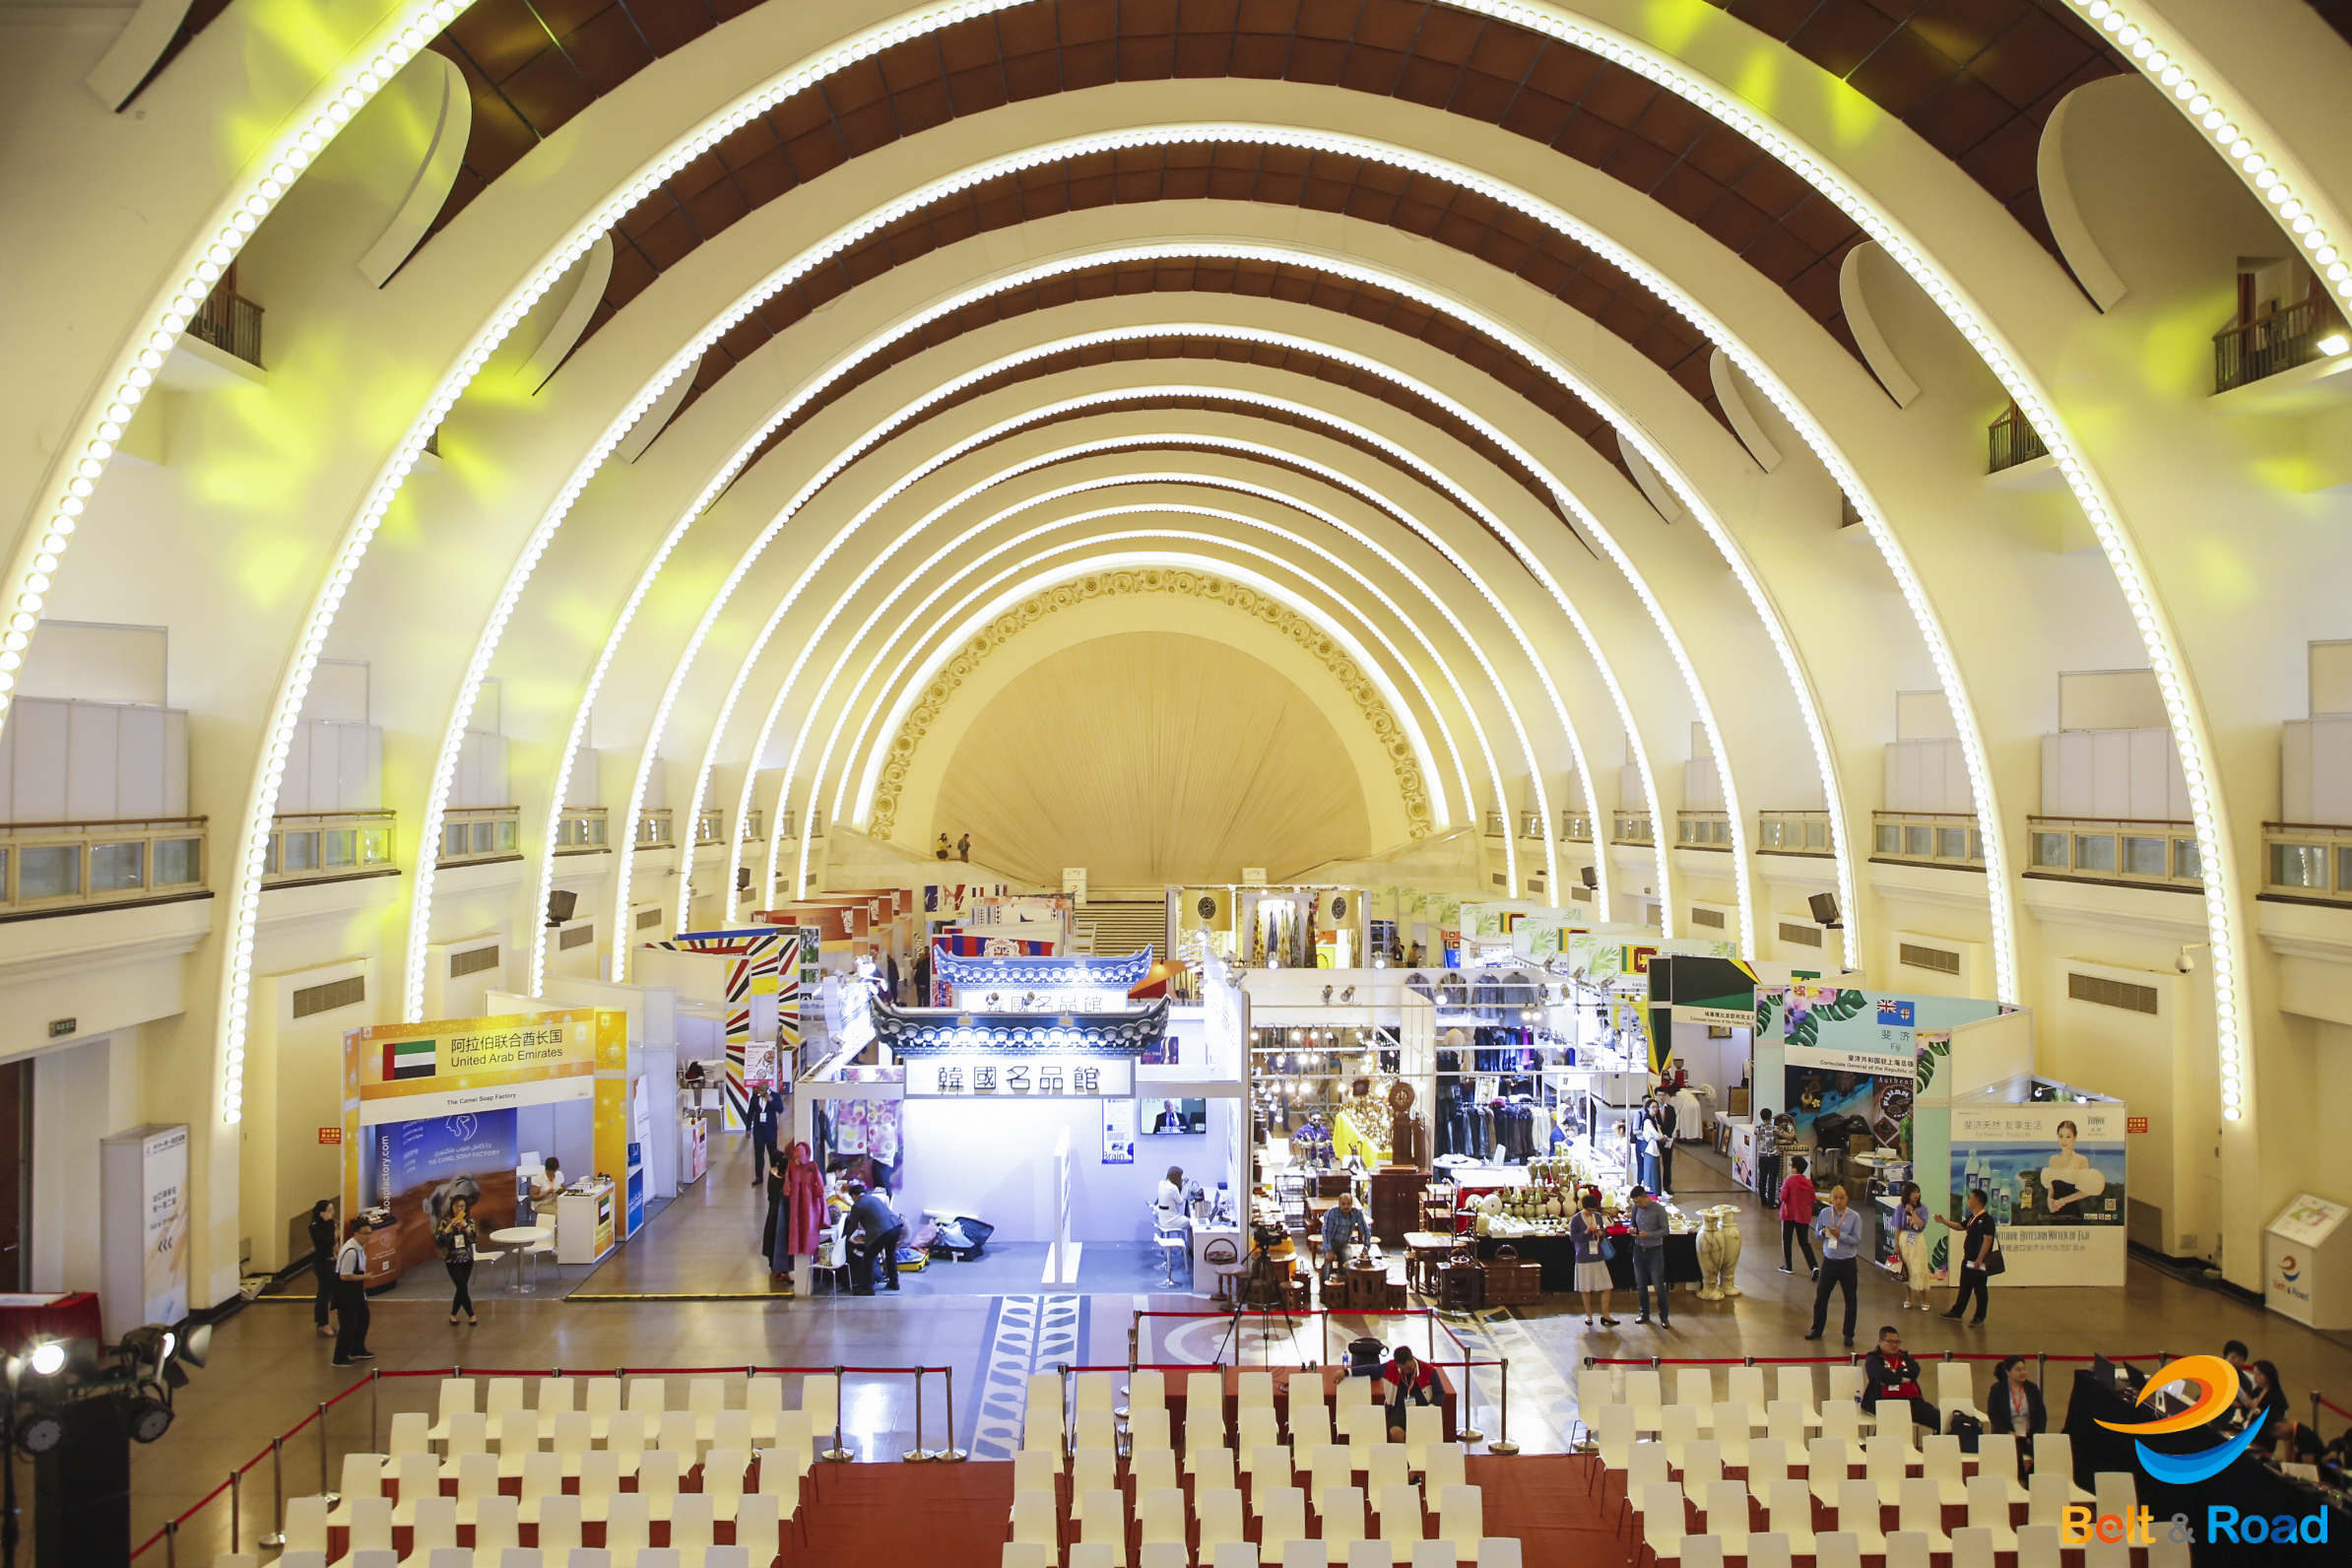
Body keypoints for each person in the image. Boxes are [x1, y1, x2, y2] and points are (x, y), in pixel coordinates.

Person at [1804, 1184, 1862, 1345]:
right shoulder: (1824, 1213)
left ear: (1847, 1199)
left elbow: (1856, 1240)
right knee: (1821, 1297)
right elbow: (1817, 1234)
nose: (1838, 1201)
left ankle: (1848, 1334)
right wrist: (1823, 1233)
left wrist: (1840, 1235)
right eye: (1835, 1198)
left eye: (1842, 1198)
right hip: (1829, 1261)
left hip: (1847, 1263)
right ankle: (1817, 1329)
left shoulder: (1854, 1217)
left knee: (1850, 1300)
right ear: (1830, 1199)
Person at [1861, 1325, 1940, 1434]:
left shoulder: (1904, 1356)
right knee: (1889, 1429)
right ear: (1880, 1342)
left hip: (1912, 1402)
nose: (1894, 1345)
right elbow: (1882, 1375)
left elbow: (1915, 1371)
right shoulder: (1873, 1358)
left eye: (1897, 1342)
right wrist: (1904, 1379)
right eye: (1890, 1342)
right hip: (1885, 1403)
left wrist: (1895, 1372)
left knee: (1942, 1421)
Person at [1936, 1188, 1996, 1326]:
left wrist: (1980, 1258)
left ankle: (1980, 1316)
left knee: (1980, 1289)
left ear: (1977, 1201)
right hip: (1968, 1259)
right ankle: (1957, 1312)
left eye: (1970, 1198)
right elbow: (1960, 1226)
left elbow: (1988, 1240)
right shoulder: (1972, 1217)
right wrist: (1944, 1221)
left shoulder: (1986, 1219)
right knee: (1965, 1286)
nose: (1967, 1200)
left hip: (1978, 1261)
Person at [841, 1181, 905, 1295]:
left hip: (883, 1231)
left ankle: (868, 1288)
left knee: (868, 1256)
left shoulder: (857, 1205)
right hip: (896, 1226)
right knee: (890, 1254)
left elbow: (853, 1226)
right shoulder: (874, 1199)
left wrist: (844, 1238)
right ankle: (894, 1282)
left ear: (854, 1196)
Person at [330, 1213, 377, 1367]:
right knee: (348, 1326)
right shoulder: (351, 1251)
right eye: (365, 1234)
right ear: (356, 1233)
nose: (368, 1237)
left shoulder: (359, 1247)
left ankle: (357, 1349)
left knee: (363, 1319)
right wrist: (365, 1277)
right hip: (347, 1294)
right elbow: (344, 1275)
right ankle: (340, 1357)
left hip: (356, 1292)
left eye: (370, 1233)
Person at [1569, 1190, 1619, 1329]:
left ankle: (1605, 1314)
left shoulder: (1598, 1216)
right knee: (1585, 1288)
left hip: (1598, 1255)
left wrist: (1600, 1233)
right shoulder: (1576, 1219)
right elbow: (1573, 1237)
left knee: (1607, 1286)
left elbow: (1604, 1233)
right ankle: (1589, 1315)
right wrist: (1585, 1232)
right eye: (1589, 1210)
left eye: (1594, 1210)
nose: (1591, 1213)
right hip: (1583, 1256)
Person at [1991, 1354, 2046, 1478]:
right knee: (2015, 1452)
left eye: (2024, 1369)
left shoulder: (2032, 1389)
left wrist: (2036, 1434)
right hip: (2008, 1434)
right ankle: (2021, 1480)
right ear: (2008, 1372)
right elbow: (1994, 1414)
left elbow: (2041, 1415)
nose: (2023, 1373)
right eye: (2018, 1370)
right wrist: (2008, 1432)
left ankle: (2028, 1479)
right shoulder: (1997, 1389)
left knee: (2045, 1455)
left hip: (2028, 1435)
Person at [1628, 1184, 1670, 1328]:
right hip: (1639, 1250)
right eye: (1635, 1202)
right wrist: (1632, 1229)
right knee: (1640, 1285)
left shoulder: (1659, 1210)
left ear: (1646, 1197)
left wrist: (1649, 1235)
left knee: (1658, 1285)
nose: (1637, 1205)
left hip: (1655, 1252)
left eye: (1639, 1202)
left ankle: (1664, 1316)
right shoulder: (1635, 1208)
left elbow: (1665, 1230)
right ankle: (1644, 1313)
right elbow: (1632, 1223)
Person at [1379, 1344, 1440, 1442]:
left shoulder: (1429, 1370)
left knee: (1419, 1434)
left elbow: (1440, 1393)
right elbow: (1371, 1369)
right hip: (1401, 1409)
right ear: (1397, 1365)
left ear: (1412, 1359)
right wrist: (1351, 1372)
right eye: (1403, 1369)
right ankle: (1402, 1451)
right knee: (1395, 1432)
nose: (1407, 1371)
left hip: (1423, 1409)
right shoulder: (1391, 1367)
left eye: (1408, 1367)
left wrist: (1431, 1407)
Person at [438, 1194, 480, 1326]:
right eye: (456, 1206)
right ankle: (471, 1314)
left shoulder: (470, 1222)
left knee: (461, 1288)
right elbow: (440, 1241)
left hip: (467, 1259)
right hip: (452, 1260)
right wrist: (450, 1226)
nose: (459, 1209)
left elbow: (473, 1239)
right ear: (452, 1207)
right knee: (461, 1286)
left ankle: (453, 1315)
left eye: (462, 1206)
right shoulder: (445, 1222)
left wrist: (466, 1227)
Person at [1894, 1182, 1935, 1312]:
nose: (1916, 1195)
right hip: (1904, 1239)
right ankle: (1908, 1298)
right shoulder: (1900, 1208)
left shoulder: (1923, 1208)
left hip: (1917, 1240)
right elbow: (1897, 1227)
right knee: (1906, 1268)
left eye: (1917, 1192)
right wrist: (1896, 1245)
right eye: (1913, 1192)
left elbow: (1921, 1225)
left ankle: (1924, 1300)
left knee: (1919, 1268)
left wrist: (1912, 1212)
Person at [1778, 1154, 1818, 1277]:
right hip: (1803, 1216)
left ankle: (1788, 1266)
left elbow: (1783, 1197)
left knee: (1787, 1241)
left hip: (1789, 1214)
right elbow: (1813, 1198)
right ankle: (1814, 1266)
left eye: (1791, 1165)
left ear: (1795, 1169)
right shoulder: (1808, 1182)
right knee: (1804, 1242)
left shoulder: (1789, 1181)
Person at [1321, 1189, 1372, 1283]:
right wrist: (1329, 1250)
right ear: (1339, 1204)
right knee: (1328, 1261)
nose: (1346, 1206)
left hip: (1345, 1243)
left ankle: (1343, 1284)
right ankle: (1325, 1287)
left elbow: (1365, 1230)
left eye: (1348, 1204)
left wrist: (1366, 1246)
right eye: (1343, 1204)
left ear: (1351, 1204)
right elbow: (1326, 1233)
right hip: (1331, 1242)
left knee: (1348, 1261)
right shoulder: (1332, 1213)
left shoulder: (1356, 1213)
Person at [308, 1198, 339, 1339]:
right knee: (324, 1294)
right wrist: (334, 1232)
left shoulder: (330, 1224)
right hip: (322, 1263)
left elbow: (334, 1243)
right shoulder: (315, 1227)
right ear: (321, 1213)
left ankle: (323, 1322)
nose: (332, 1213)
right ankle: (323, 1323)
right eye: (329, 1210)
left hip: (331, 1261)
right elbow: (328, 1241)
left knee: (328, 1293)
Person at [747, 1085, 780, 1185]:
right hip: (758, 1130)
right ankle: (759, 1176)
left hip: (770, 1130)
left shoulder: (775, 1096)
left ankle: (775, 1175)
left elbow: (780, 1109)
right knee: (758, 1153)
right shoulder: (754, 1098)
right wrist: (748, 1129)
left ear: (767, 1090)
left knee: (773, 1153)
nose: (759, 1092)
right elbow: (750, 1113)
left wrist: (771, 1101)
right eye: (759, 1090)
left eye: (761, 1091)